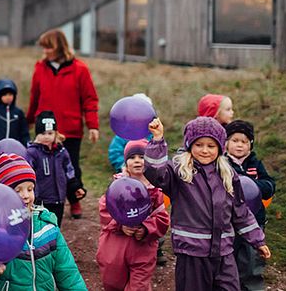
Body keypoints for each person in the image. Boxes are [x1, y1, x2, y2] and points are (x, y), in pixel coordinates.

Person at [143, 116, 271, 291]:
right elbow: (154, 172)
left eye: (211, 146)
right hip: (192, 254)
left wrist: (258, 240)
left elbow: (240, 211)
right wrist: (157, 140)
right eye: (198, 145)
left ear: (220, 147)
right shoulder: (179, 172)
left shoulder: (227, 174)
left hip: (224, 253)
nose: (205, 150)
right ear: (189, 145)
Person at [0, 153, 88, 290]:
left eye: (30, 189)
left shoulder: (46, 226)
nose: (26, 196)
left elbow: (67, 272)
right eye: (17, 191)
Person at [27, 29, 99, 219]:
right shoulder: (40, 68)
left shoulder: (80, 69)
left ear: (59, 46)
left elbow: (90, 99)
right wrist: (29, 121)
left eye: (48, 47)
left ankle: (74, 199)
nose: (45, 51)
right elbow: (34, 97)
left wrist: (93, 125)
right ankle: (44, 202)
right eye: (44, 47)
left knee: (70, 165)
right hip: (45, 129)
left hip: (70, 129)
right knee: (44, 167)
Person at [96, 139, 170, 291]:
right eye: (132, 157)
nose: (137, 161)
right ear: (125, 162)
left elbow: (162, 219)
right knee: (112, 283)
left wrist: (145, 228)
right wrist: (120, 225)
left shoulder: (155, 190)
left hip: (142, 248)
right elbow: (105, 210)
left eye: (142, 157)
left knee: (139, 286)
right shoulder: (117, 187)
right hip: (115, 246)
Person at [225, 120, 276, 291]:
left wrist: (255, 186)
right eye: (235, 140)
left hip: (255, 220)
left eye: (244, 141)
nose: (239, 145)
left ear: (250, 145)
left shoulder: (255, 163)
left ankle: (251, 287)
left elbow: (269, 185)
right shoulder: (222, 164)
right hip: (229, 221)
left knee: (252, 260)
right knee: (228, 260)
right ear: (226, 143)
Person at [24, 111, 86, 226]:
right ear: (37, 134)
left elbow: (69, 170)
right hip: (40, 200)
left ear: (55, 134)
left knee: (56, 226)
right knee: (41, 228)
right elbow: (27, 175)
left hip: (58, 199)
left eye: (50, 133)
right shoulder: (32, 153)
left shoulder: (61, 152)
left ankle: (55, 243)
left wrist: (75, 186)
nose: (46, 136)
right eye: (42, 133)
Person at [107, 93, 154, 173]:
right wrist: (123, 165)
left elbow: (159, 152)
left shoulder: (152, 134)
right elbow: (115, 152)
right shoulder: (123, 134)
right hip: (128, 172)